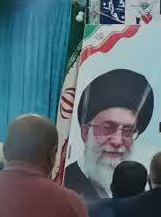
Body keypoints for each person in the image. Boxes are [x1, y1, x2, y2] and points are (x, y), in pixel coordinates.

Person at [64, 69, 155, 205]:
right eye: (107, 128)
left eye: (127, 131)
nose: (117, 141)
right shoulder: (66, 184)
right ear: (85, 132)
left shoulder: (136, 190)